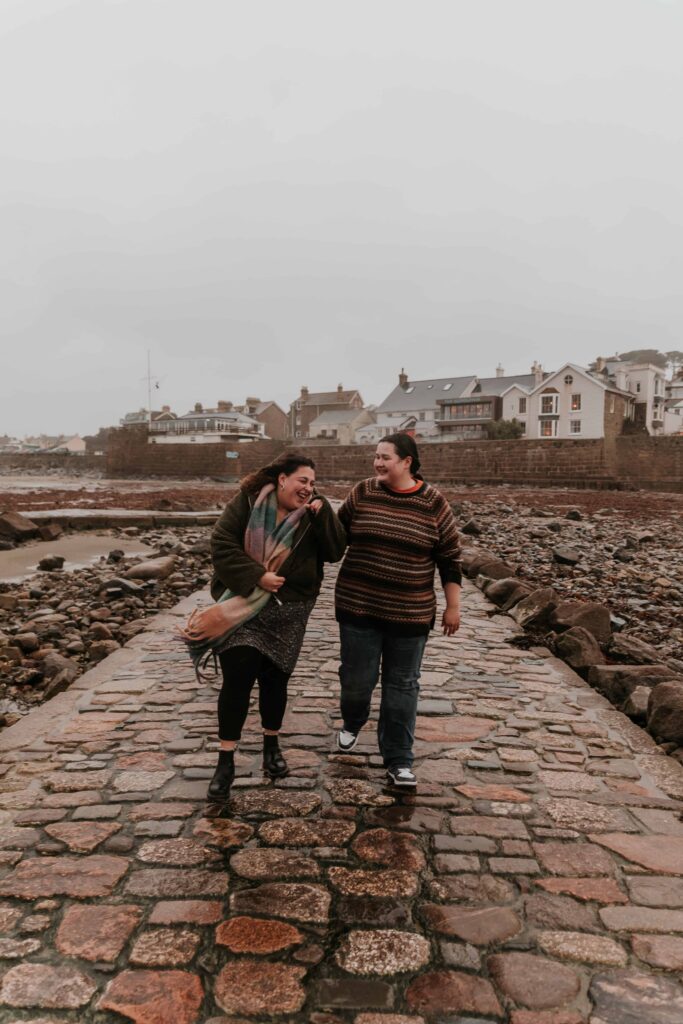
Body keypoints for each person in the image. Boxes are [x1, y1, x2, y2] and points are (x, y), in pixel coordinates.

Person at [180, 452, 346, 801]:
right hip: (242, 604)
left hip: (290, 611)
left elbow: (334, 551)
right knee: (237, 681)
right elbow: (222, 544)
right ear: (282, 479)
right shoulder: (247, 502)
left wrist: (324, 516)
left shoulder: (314, 511)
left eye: (313, 483)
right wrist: (258, 575)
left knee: (275, 679)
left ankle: (272, 745)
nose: (308, 488)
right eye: (302, 480)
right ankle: (225, 761)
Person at [334, 432, 462, 787]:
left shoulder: (434, 503)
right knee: (356, 680)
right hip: (358, 607)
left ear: (407, 462)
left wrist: (453, 606)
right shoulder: (363, 492)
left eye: (385, 457)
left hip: (410, 614)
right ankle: (353, 721)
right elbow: (335, 536)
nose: (378, 463)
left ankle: (399, 759)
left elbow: (450, 558)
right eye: (376, 456)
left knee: (402, 685)